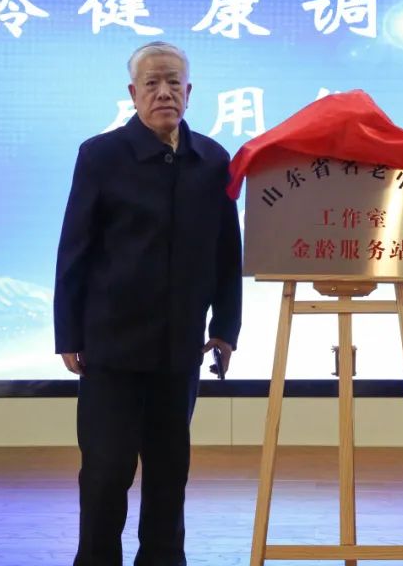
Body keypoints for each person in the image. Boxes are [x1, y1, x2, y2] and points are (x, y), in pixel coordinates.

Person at [54, 41, 242, 566]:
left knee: (169, 470)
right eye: (152, 84)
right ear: (133, 93)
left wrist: (226, 327)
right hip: (110, 344)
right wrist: (68, 333)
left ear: (189, 91)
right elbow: (74, 248)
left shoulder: (213, 160)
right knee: (106, 470)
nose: (164, 93)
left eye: (173, 83)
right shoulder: (101, 155)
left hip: (179, 346)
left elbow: (227, 253)